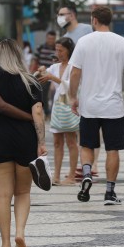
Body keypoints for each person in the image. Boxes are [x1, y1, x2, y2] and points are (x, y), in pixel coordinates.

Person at [68, 6, 124, 205]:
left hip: (89, 105)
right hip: (113, 107)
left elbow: (75, 73)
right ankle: (109, 192)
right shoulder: (122, 42)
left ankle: (87, 173)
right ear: (110, 20)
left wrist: (73, 97)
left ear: (94, 20)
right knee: (112, 149)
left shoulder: (83, 42)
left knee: (87, 145)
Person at [0, 39, 47, 247]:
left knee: (3, 194)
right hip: (25, 141)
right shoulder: (32, 83)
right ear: (20, 56)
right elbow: (37, 113)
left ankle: (5, 244)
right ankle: (20, 233)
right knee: (22, 192)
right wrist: (41, 142)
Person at [38, 36, 79, 185]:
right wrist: (42, 70)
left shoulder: (74, 66)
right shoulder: (55, 67)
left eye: (61, 50)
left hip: (69, 106)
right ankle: (56, 175)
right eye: (56, 50)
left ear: (68, 50)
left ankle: (72, 176)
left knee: (71, 141)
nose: (58, 53)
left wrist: (52, 78)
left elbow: (73, 84)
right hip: (58, 107)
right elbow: (46, 73)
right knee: (56, 142)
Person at [31, 30, 57, 113]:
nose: (51, 40)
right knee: (43, 93)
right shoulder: (40, 47)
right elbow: (35, 60)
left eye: (52, 39)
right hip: (41, 75)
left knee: (52, 93)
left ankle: (49, 111)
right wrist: (31, 73)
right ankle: (45, 111)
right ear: (46, 38)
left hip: (53, 74)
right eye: (49, 38)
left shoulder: (57, 49)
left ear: (55, 39)